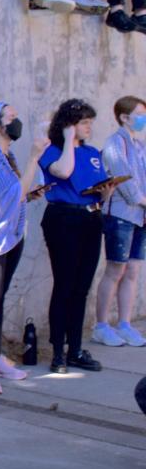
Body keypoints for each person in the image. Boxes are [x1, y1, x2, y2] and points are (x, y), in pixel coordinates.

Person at [0, 102, 48, 394]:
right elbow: (8, 195)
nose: (16, 122)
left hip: (13, 235)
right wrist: (33, 158)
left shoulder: (10, 156)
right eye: (11, 118)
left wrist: (34, 191)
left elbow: (19, 193)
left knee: (1, 297)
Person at [39, 99, 117, 373]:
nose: (89, 128)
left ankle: (75, 349)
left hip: (90, 218)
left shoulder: (93, 152)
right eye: (84, 123)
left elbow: (95, 184)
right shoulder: (53, 151)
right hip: (63, 219)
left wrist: (106, 192)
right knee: (65, 285)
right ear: (69, 124)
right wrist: (69, 139)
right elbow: (64, 171)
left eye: (89, 123)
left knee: (82, 287)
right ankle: (58, 352)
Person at [94, 96, 146, 347]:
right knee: (116, 269)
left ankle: (124, 324)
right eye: (138, 113)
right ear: (124, 117)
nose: (142, 118)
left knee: (133, 270)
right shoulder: (115, 143)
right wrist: (142, 200)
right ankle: (101, 325)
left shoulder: (140, 146)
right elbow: (124, 180)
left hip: (140, 217)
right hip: (121, 215)